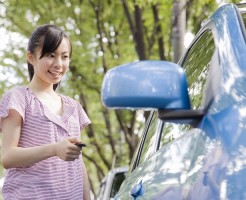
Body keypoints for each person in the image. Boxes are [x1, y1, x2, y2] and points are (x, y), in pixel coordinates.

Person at [0, 24, 91, 200]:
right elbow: (7, 157)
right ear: (30, 57)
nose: (58, 64)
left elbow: (78, 163)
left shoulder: (74, 107)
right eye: (50, 55)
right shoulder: (18, 98)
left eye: (64, 57)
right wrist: (54, 149)